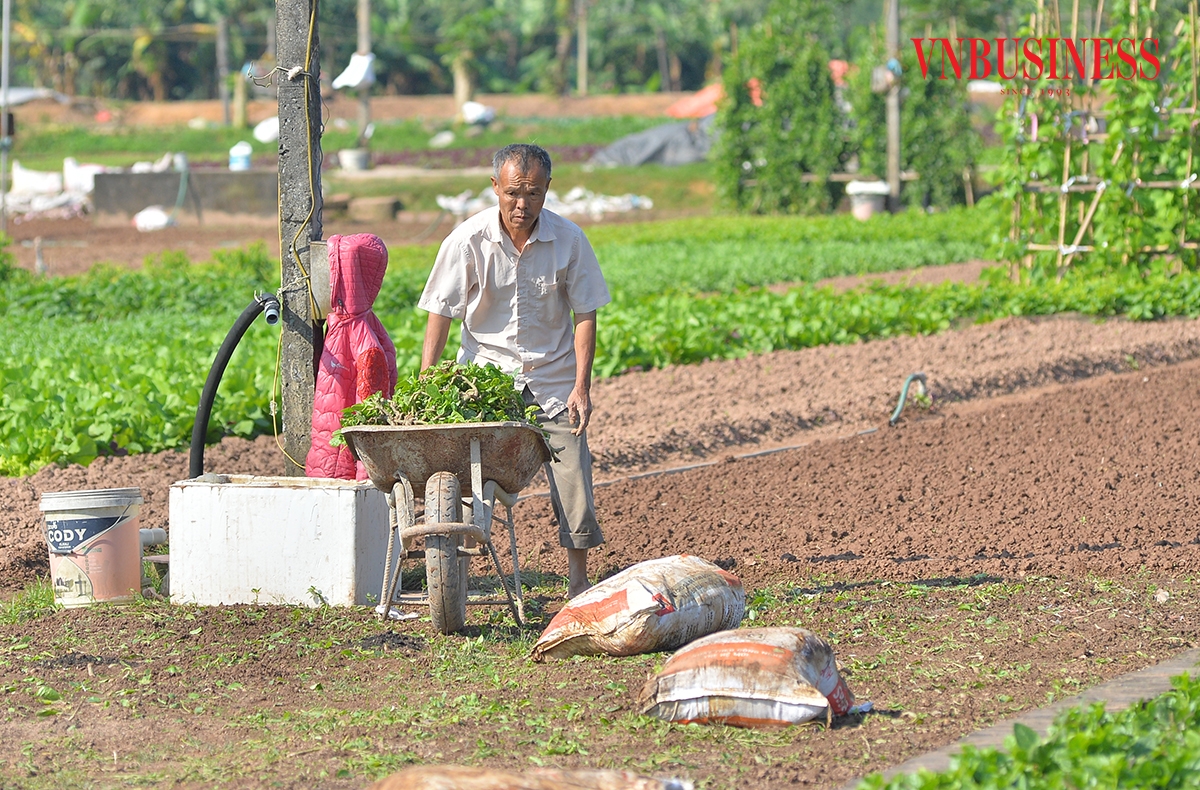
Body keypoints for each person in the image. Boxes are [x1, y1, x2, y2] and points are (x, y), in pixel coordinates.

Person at [417, 143, 610, 598]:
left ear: (548, 190)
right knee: (461, 472)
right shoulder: (466, 241)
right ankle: (456, 567)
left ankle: (578, 578)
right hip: (485, 381)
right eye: (513, 194)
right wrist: (428, 377)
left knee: (573, 474)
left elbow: (586, 314)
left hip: (552, 380)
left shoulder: (569, 240)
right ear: (495, 188)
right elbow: (441, 312)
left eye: (534, 194)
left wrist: (581, 386)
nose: (522, 205)